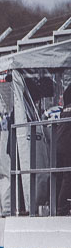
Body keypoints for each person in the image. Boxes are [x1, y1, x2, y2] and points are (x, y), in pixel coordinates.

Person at [54, 83, 71, 216]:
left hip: (60, 144)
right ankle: (61, 209)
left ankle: (58, 206)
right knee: (67, 176)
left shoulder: (64, 110)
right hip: (67, 144)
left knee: (63, 175)